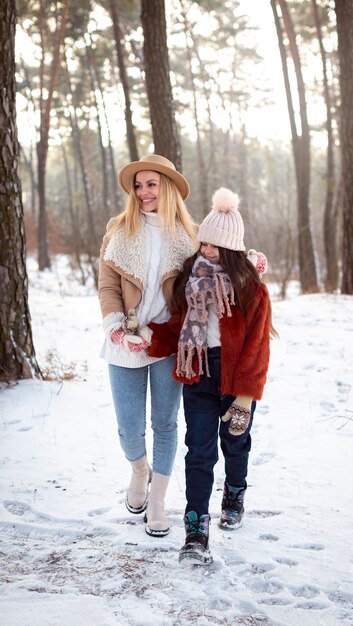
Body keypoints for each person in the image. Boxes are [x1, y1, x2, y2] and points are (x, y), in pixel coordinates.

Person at [148, 187, 277, 564]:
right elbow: (176, 329)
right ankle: (196, 529)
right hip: (199, 372)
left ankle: (235, 491)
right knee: (199, 451)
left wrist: (245, 397)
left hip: (236, 377)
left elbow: (257, 348)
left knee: (235, 442)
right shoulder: (191, 280)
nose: (206, 251)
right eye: (203, 243)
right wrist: (148, 336)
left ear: (233, 250)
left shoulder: (251, 289)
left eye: (215, 247)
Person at [98, 153, 198, 537]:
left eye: (151, 184)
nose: (143, 192)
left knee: (165, 423)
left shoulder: (189, 235)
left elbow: (226, 257)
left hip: (168, 343)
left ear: (167, 187)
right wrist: (116, 328)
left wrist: (251, 260)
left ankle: (158, 500)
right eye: (138, 185)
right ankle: (139, 470)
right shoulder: (119, 229)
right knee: (129, 427)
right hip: (126, 338)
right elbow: (108, 286)